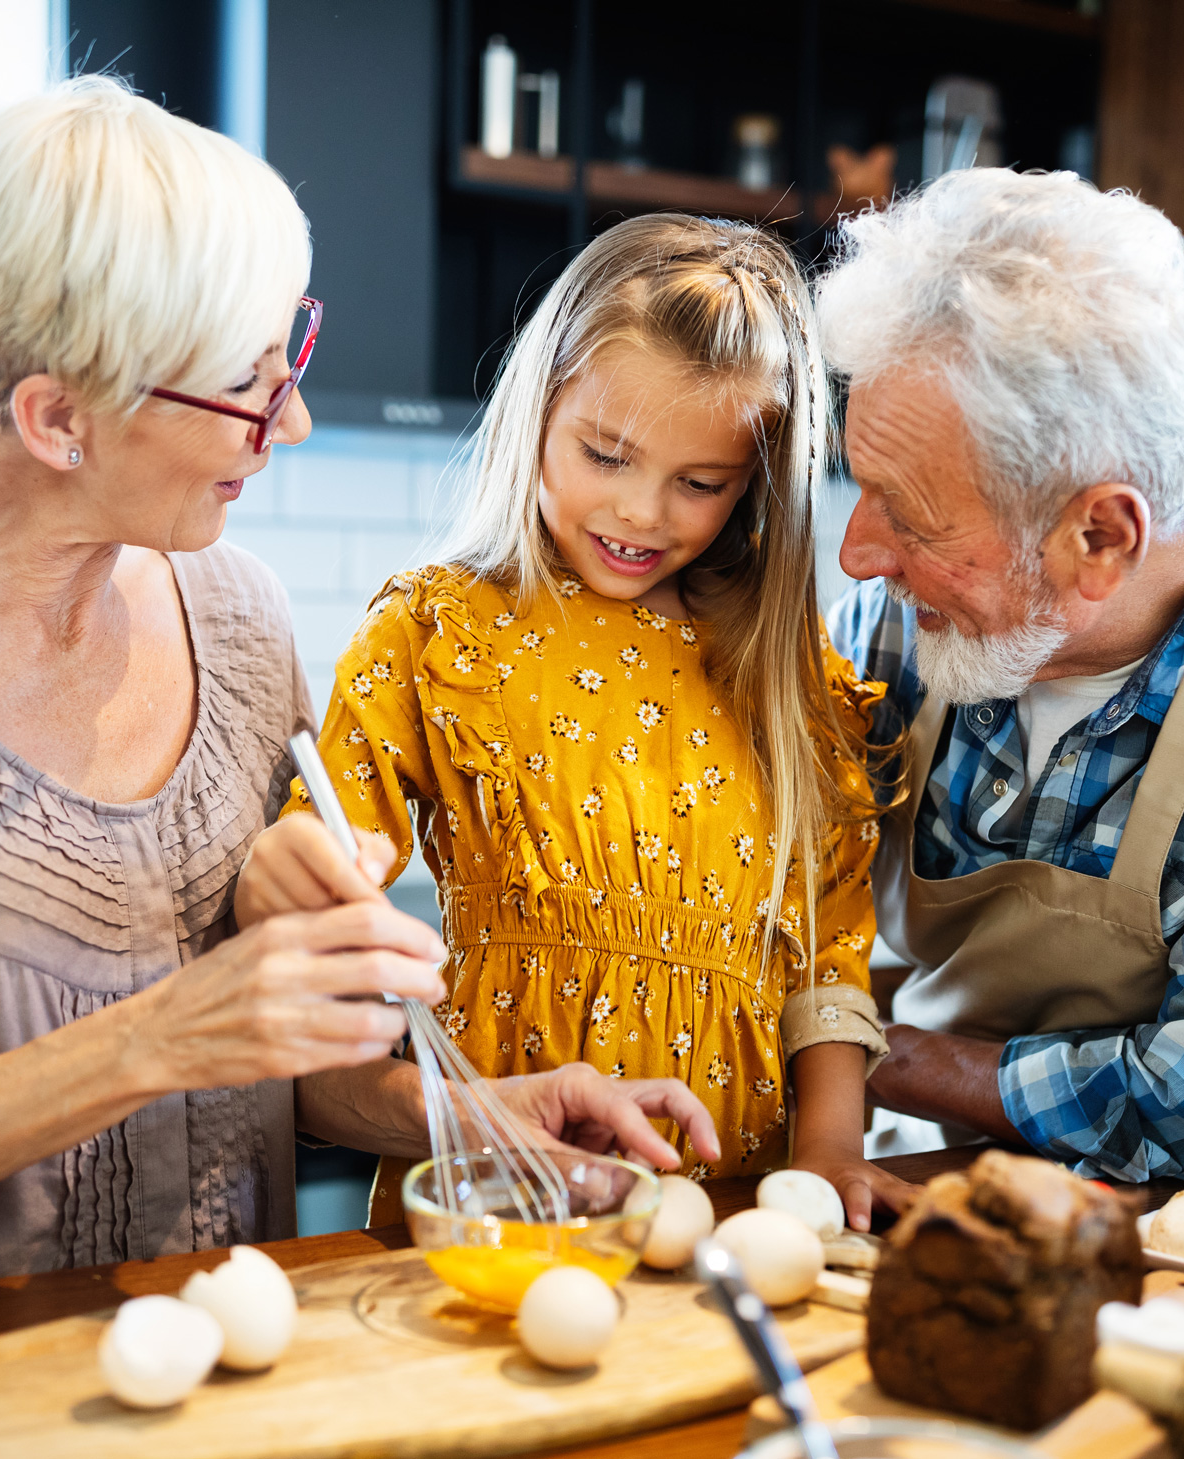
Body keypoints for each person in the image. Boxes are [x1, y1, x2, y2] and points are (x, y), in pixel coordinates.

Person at [0, 80, 716, 1293]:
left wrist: (478, 1112)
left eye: (293, 356)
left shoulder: (237, 615)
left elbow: (286, 1066)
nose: (298, 419)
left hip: (249, 1353)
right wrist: (161, 1036)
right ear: (59, 419)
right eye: (248, 386)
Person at [237, 215, 912, 1229]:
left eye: (700, 485)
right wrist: (284, 872)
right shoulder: (438, 632)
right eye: (607, 455)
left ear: (757, 483)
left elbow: (827, 962)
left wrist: (825, 1154)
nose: (643, 513)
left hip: (730, 1210)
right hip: (494, 1203)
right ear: (538, 411)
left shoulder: (791, 682)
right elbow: (323, 873)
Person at [820, 166, 1184, 1183]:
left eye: (912, 518)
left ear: (1099, 535)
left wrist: (864, 1057)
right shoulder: (901, 624)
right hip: (918, 1188)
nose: (856, 554)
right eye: (861, 489)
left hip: (1178, 1264)